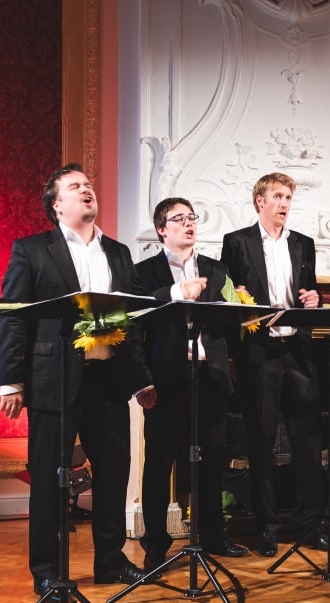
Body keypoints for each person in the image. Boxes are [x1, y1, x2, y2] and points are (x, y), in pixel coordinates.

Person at [0, 163, 156, 601]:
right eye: (75, 187)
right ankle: (47, 568)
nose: (87, 190)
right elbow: (13, 317)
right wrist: (10, 379)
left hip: (109, 379)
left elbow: (134, 321)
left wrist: (141, 379)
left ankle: (110, 560)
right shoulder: (32, 250)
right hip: (53, 380)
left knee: (114, 472)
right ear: (56, 204)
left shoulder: (118, 253)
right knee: (49, 477)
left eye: (89, 185)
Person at [134, 197, 249, 569]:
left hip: (210, 377)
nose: (188, 224)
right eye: (178, 219)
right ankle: (155, 545)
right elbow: (135, 322)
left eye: (191, 217)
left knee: (211, 461)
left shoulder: (216, 270)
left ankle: (214, 535)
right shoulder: (144, 272)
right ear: (161, 229)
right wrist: (141, 383)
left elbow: (229, 325)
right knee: (159, 464)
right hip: (165, 380)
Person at [220, 172, 326, 557]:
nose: (284, 204)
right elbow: (226, 297)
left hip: (298, 354)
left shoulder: (303, 244)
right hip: (258, 356)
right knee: (261, 442)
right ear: (259, 201)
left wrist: (314, 299)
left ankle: (310, 523)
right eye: (278, 197)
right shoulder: (237, 243)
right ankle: (267, 526)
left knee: (308, 442)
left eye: (288, 197)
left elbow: (308, 292)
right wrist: (238, 297)